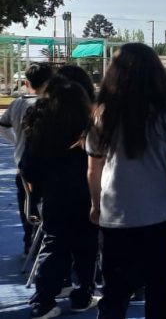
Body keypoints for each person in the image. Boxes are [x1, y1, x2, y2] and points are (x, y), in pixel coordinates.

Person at [86, 43, 166, 319]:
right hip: (158, 215)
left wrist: (96, 205)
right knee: (159, 288)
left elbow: (93, 170)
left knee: (115, 292)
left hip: (115, 214)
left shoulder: (101, 115)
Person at [20, 75, 99, 318]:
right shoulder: (89, 129)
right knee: (87, 247)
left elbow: (27, 166)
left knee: (54, 246)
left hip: (54, 197)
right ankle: (83, 294)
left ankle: (43, 300)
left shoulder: (41, 130)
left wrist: (36, 194)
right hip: (87, 196)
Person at [0, 62, 53, 256]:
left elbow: (2, 125)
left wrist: (15, 141)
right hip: (50, 164)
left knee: (27, 203)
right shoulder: (53, 104)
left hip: (24, 162)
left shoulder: (18, 103)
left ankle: (30, 240)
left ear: (26, 82)